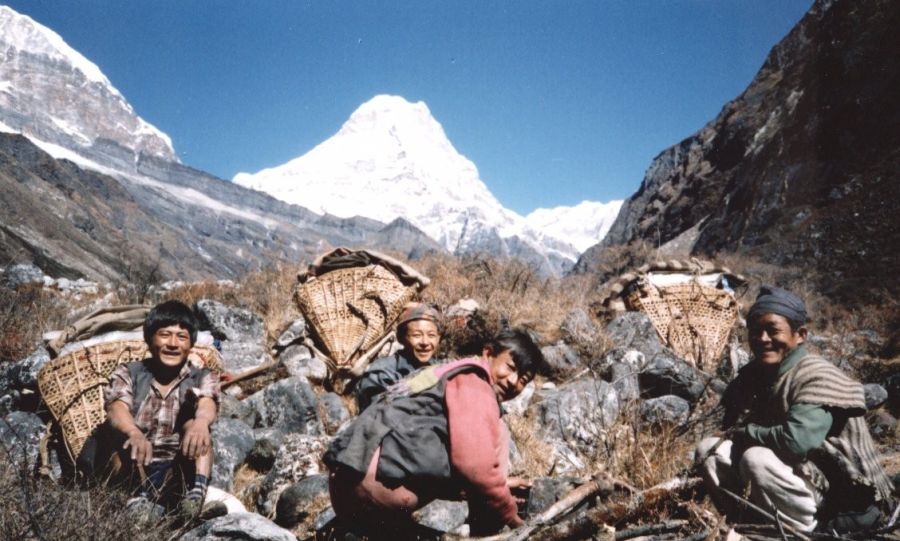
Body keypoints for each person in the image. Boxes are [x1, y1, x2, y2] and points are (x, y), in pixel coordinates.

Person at [695, 286, 895, 533]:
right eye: (755, 332)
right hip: (793, 476)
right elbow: (727, 426)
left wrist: (747, 431)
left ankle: (805, 533)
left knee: (755, 458)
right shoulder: (755, 375)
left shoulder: (816, 376)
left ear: (800, 335)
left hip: (843, 493)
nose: (763, 339)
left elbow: (796, 441)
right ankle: (750, 527)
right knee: (709, 451)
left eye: (773, 330)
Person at [325, 328, 543, 536]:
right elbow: (475, 467)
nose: (513, 381)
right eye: (510, 367)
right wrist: (511, 516)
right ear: (488, 353)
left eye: (523, 380)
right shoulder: (476, 385)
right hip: (374, 495)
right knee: (499, 434)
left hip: (344, 494)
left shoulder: (447, 371)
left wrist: (499, 486)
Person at [102, 300, 221, 520]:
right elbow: (116, 407)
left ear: (191, 344)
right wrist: (133, 432)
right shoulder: (129, 372)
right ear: (149, 339)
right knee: (122, 439)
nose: (173, 344)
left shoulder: (202, 376)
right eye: (165, 335)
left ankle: (195, 498)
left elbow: (207, 402)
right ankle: (135, 498)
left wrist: (201, 422)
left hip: (175, 467)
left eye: (182, 337)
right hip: (135, 464)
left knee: (197, 429)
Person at [354, 302, 443, 411]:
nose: (425, 342)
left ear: (439, 338)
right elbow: (378, 415)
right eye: (417, 335)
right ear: (401, 338)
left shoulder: (441, 369)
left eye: (431, 335)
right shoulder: (382, 373)